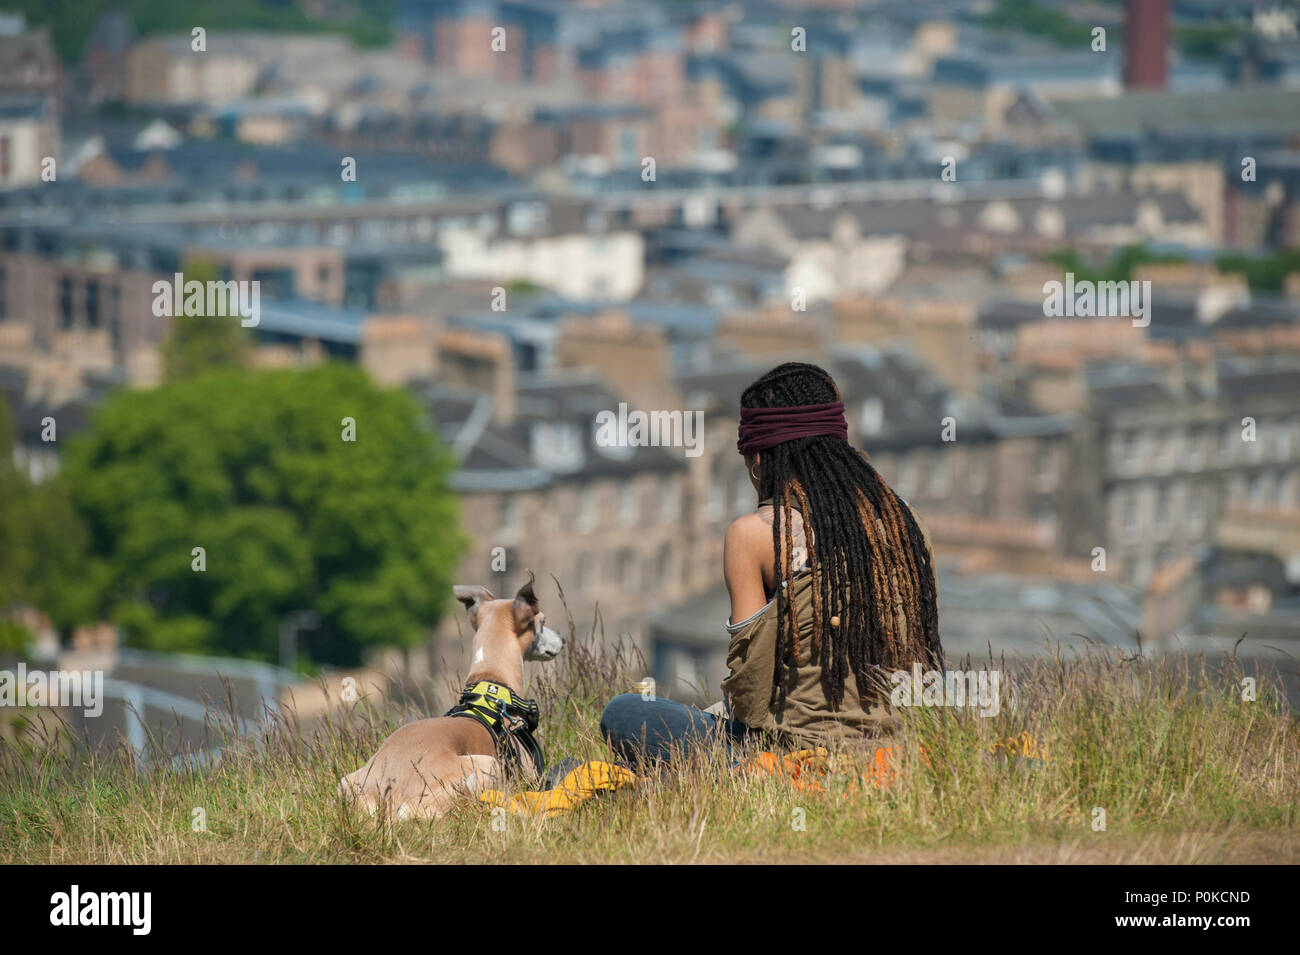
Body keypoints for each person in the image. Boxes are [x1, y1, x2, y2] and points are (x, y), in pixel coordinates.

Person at [600, 361, 943, 766]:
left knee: (625, 712)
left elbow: (750, 694)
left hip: (798, 757)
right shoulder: (907, 520)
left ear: (760, 459)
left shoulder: (756, 534)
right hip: (897, 753)